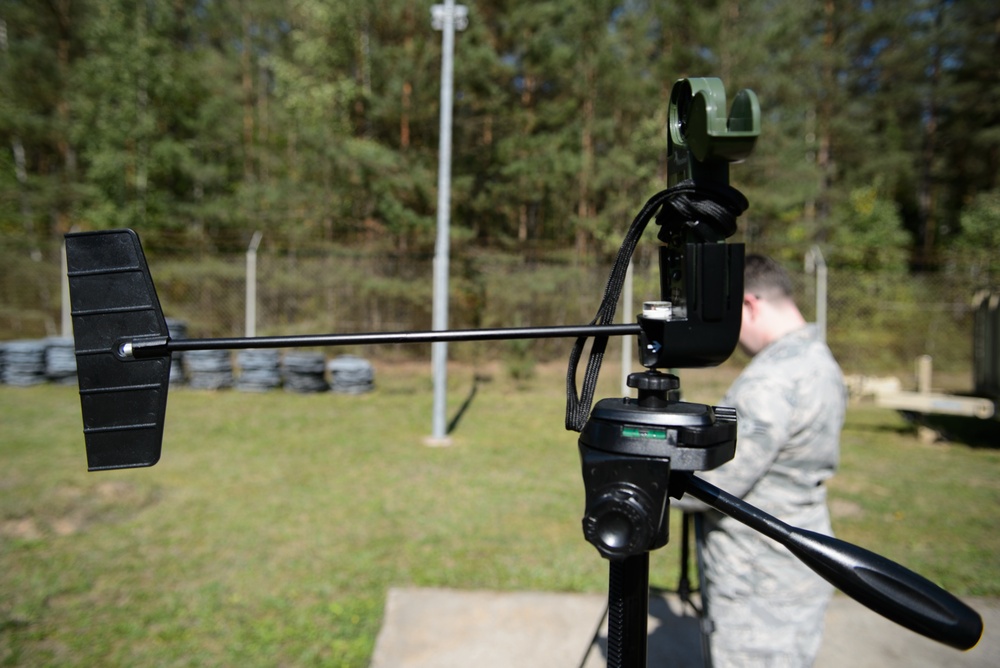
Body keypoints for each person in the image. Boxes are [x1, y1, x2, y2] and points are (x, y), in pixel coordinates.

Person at [673, 253, 847, 668]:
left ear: (748, 305)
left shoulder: (771, 380)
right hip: (791, 566)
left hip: (758, 585)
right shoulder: (817, 361)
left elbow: (710, 486)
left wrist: (641, 475)